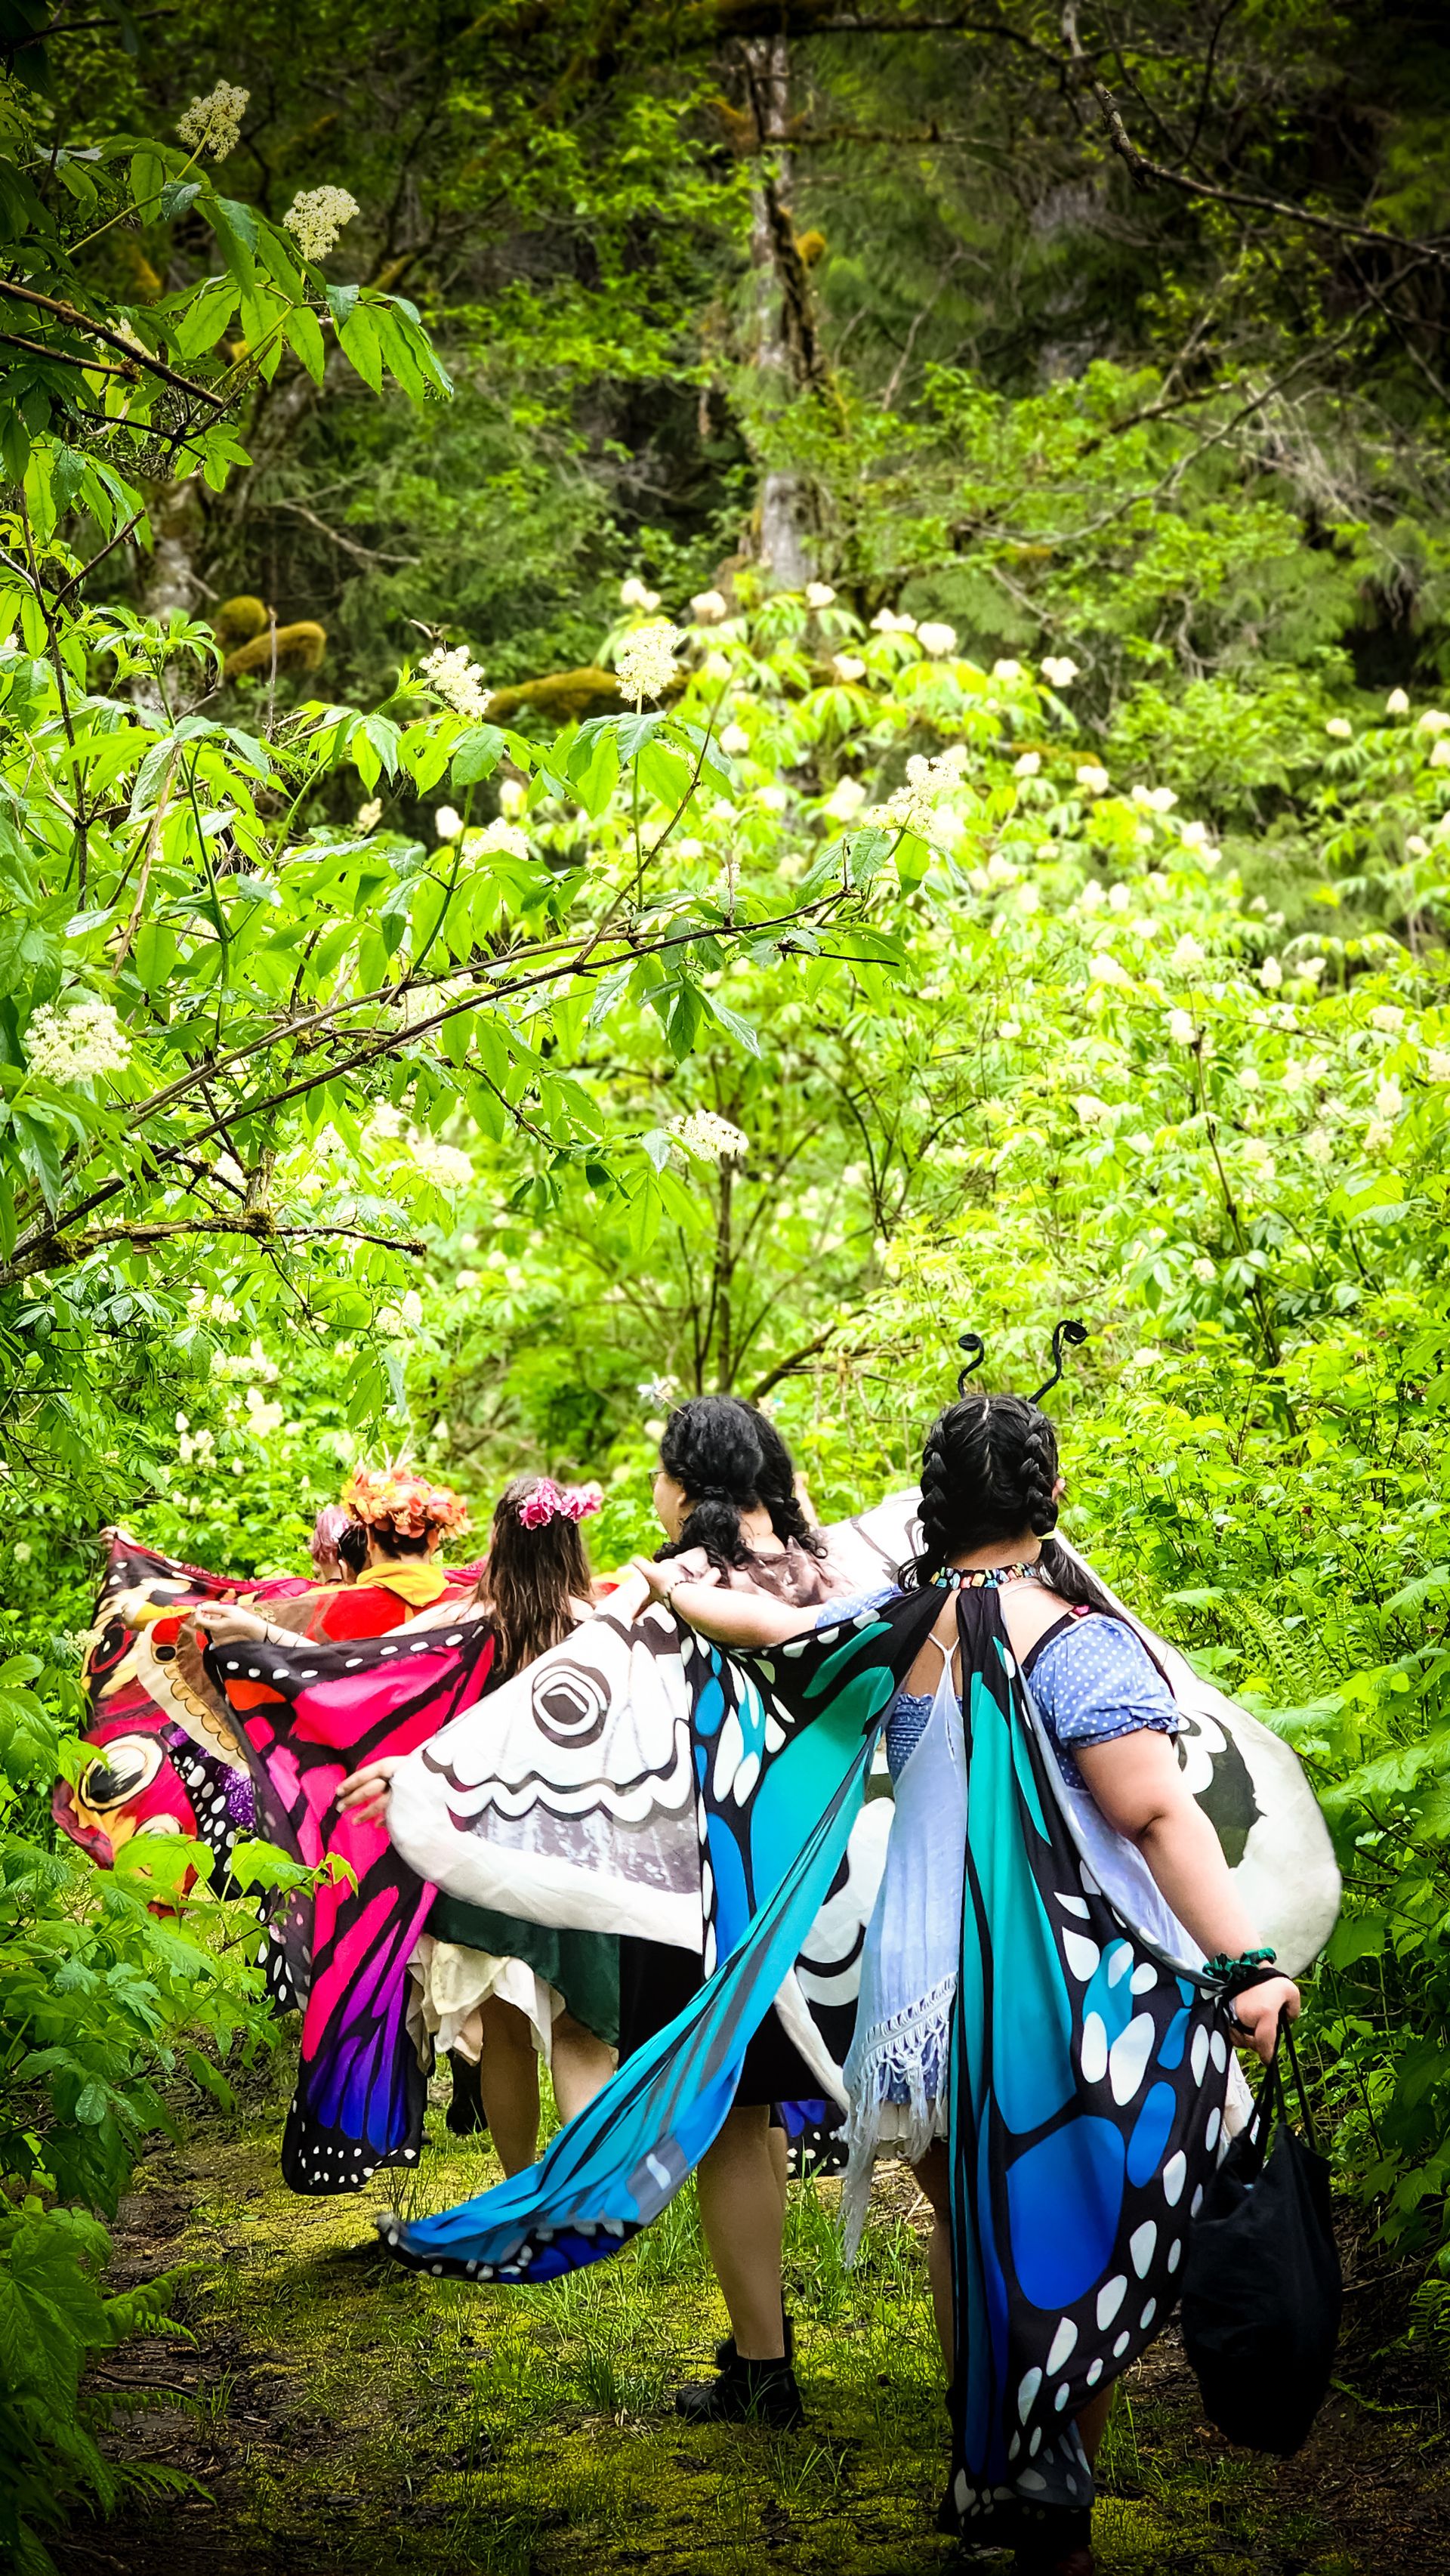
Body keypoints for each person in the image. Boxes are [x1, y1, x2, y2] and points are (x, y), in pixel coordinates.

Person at [631, 1385, 1300, 2576]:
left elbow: (771, 1636)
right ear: (1048, 1496)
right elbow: (1153, 1810)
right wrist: (1244, 1963)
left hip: (918, 2001)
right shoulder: (1072, 1635)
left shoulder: (905, 1622)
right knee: (1072, 2234)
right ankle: (1048, 2490)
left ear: (941, 1501)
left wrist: (674, 1587)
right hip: (1056, 1983)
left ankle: (994, 2463)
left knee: (974, 2220)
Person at [619, 1395, 850, 2429]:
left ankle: (764, 2367)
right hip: (821, 1877)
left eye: (662, 1473)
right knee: (780, 2118)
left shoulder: (681, 1584)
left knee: (729, 2121)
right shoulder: (825, 1570)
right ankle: (771, 2335)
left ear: (688, 1484)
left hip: (712, 1889)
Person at [406, 1476, 619, 2169]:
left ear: (499, 1540)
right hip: (581, 1852)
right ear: (570, 1543)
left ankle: (517, 2189)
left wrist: (259, 1634)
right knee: (582, 2031)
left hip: (484, 1857)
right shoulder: (603, 1632)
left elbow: (371, 1672)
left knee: (502, 2032)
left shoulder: (458, 1628)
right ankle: (584, 2197)